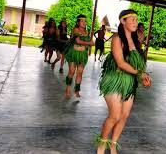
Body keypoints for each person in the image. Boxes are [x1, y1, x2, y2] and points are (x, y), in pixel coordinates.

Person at [95, 10, 152, 154]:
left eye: (136, 19)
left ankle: (113, 144)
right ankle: (102, 144)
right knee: (115, 115)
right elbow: (120, 63)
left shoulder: (136, 41)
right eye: (132, 19)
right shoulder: (117, 38)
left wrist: (143, 77)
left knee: (124, 115)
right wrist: (140, 73)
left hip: (129, 83)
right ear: (123, 21)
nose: (135, 22)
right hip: (114, 79)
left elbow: (137, 66)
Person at [64, 15, 94, 99]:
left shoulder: (87, 32)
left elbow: (93, 43)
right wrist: (88, 43)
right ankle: (68, 88)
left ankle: (77, 90)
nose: (84, 23)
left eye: (85, 21)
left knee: (80, 73)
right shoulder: (75, 29)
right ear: (78, 22)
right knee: (71, 72)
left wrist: (86, 43)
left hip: (83, 55)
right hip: (74, 53)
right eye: (82, 21)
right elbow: (78, 41)